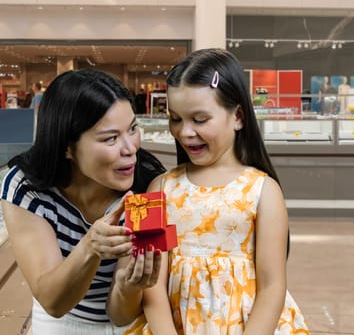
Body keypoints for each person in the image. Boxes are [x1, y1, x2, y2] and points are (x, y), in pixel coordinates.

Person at [122, 48, 309, 334]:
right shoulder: (155, 188)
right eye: (175, 118)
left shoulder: (265, 191)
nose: (184, 132)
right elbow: (151, 286)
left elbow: (273, 287)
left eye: (199, 119)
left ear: (238, 117)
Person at [1, 68, 166, 334]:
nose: (131, 148)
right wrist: (90, 247)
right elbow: (53, 301)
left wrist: (128, 285)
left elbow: (122, 315)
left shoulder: (148, 184)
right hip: (58, 319)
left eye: (132, 129)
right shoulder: (26, 187)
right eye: (111, 138)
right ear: (67, 146)